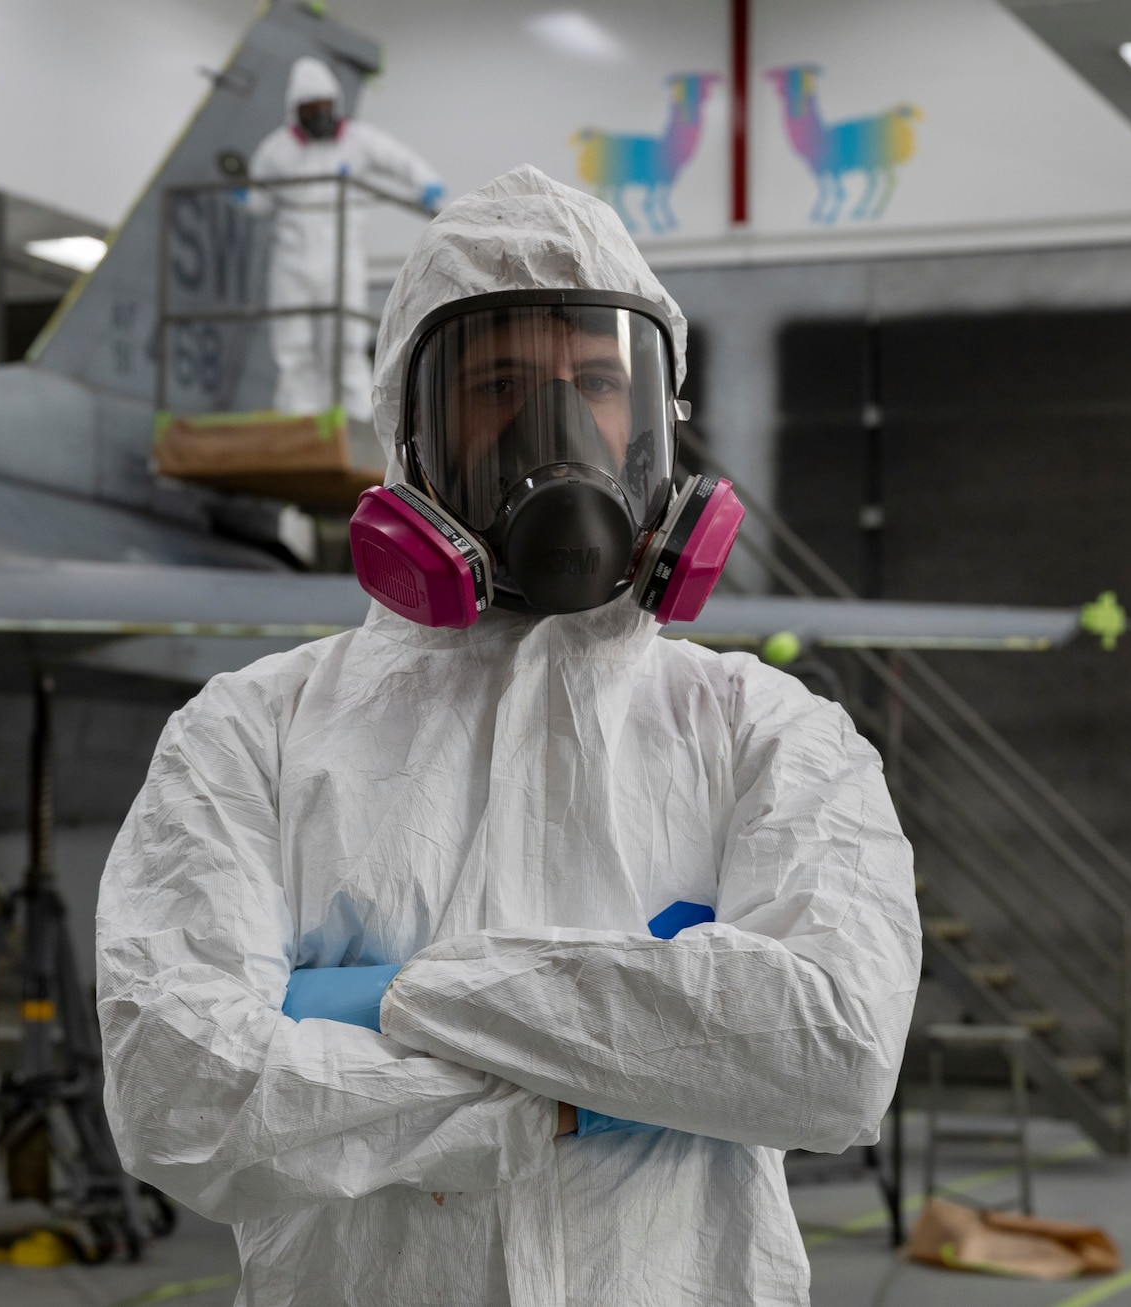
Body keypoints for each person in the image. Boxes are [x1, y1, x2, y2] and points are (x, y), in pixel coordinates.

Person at [97, 165, 920, 1306]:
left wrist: (369, 997)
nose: (560, 425)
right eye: (496, 383)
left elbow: (831, 1055)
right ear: (411, 431)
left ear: (652, 415)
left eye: (596, 378)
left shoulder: (768, 735)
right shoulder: (251, 735)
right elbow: (181, 1093)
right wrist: (635, 1066)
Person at [246, 55, 443, 422]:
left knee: (345, 342)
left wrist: (425, 184)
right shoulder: (276, 150)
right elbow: (259, 199)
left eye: (324, 106)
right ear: (296, 110)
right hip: (291, 259)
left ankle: (354, 422)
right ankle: (298, 422)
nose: (319, 113)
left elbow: (400, 160)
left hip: (341, 259)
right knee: (294, 346)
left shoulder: (358, 141)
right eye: (311, 107)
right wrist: (247, 199)